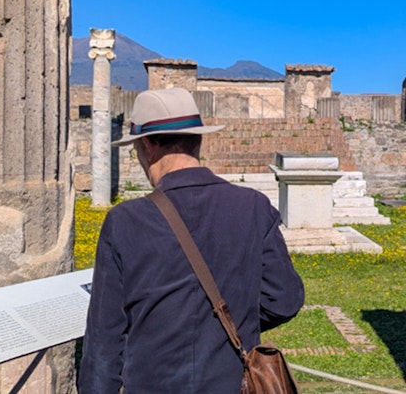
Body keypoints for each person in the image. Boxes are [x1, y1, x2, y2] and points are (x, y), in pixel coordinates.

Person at [79, 87, 304, 393]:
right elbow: (284, 299)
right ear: (198, 139)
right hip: (233, 382)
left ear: (148, 145)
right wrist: (227, 324)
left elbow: (104, 344)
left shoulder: (124, 221)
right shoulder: (252, 207)